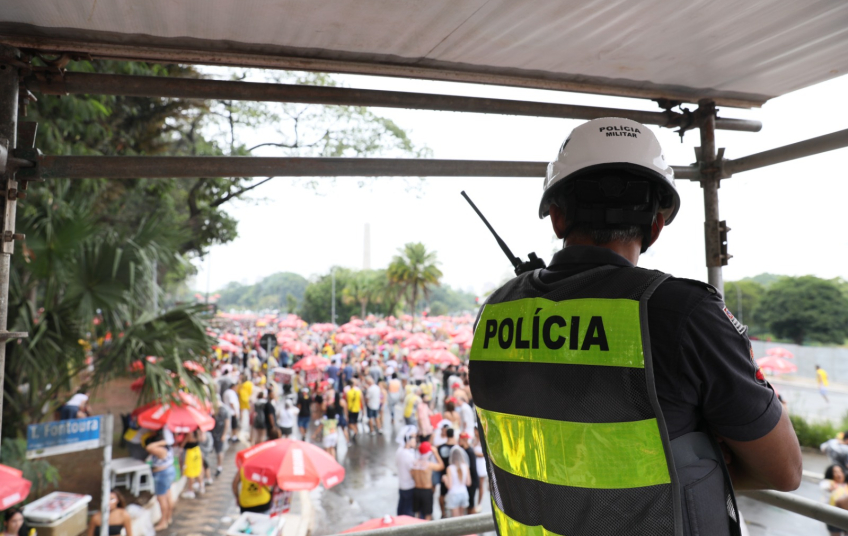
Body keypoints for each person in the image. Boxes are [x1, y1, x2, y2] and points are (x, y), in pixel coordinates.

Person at [469, 117, 802, 536]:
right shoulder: (682, 313)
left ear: (556, 218)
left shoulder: (493, 313)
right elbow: (785, 469)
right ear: (656, 225)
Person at [144, 431, 175, 531]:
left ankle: (163, 522)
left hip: (162, 475)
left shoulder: (161, 450)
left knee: (162, 499)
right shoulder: (168, 448)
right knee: (168, 496)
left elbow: (148, 447)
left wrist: (162, 442)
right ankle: (168, 517)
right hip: (169, 472)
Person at [411, 441, 444, 520]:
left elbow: (412, 475)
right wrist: (436, 453)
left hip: (416, 490)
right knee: (427, 515)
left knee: (418, 514)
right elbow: (441, 466)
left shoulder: (414, 463)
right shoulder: (429, 465)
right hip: (426, 491)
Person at [395, 425, 418, 517]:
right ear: (408, 439)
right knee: (408, 513)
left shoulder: (399, 451)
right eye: (414, 438)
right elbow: (413, 472)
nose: (415, 440)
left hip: (402, 486)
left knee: (401, 511)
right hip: (409, 487)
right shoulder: (408, 455)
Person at [443, 446, 470, 518]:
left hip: (454, 494)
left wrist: (445, 479)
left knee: (455, 519)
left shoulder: (450, 468)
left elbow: (449, 486)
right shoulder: (465, 466)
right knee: (462, 517)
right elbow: (468, 483)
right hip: (464, 493)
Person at [436, 427, 457, 515]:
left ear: (446, 435)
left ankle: (443, 513)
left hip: (443, 474)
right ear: (453, 435)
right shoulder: (456, 448)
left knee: (442, 494)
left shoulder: (440, 447)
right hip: (454, 475)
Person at [457, 432, 478, 514]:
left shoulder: (470, 452)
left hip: (472, 480)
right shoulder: (463, 450)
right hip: (468, 480)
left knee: (471, 504)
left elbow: (472, 467)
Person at [180, 429, 205, 498]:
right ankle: (201, 487)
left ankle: (190, 491)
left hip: (190, 453)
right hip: (197, 451)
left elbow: (183, 444)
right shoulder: (198, 431)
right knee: (198, 470)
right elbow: (202, 439)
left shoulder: (189, 433)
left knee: (190, 473)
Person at [472, 427, 487, 508]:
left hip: (481, 463)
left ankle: (479, 503)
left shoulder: (482, 440)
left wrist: (476, 453)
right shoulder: (474, 440)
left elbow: (485, 453)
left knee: (481, 484)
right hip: (475, 463)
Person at [237, 374, 253, 440]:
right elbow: (251, 391)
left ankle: (240, 422)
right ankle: (250, 422)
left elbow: (238, 391)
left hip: (241, 398)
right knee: (250, 411)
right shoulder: (249, 383)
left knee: (241, 411)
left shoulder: (240, 384)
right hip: (247, 398)